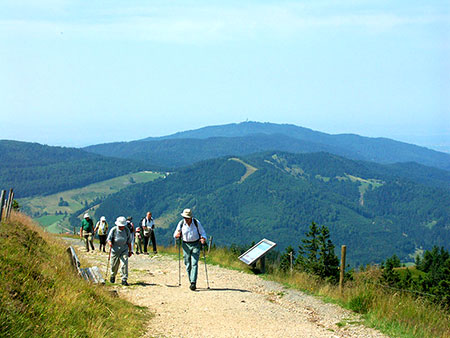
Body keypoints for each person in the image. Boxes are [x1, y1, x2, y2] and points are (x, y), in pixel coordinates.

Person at [173, 208, 207, 291]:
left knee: (194, 263)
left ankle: (193, 283)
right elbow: (175, 234)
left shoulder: (196, 223)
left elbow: (203, 233)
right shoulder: (181, 224)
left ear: (191, 217)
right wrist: (177, 235)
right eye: (185, 217)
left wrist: (203, 238)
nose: (186, 219)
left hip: (196, 244)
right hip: (185, 245)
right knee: (187, 263)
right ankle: (191, 280)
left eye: (187, 218)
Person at [107, 216, 132, 286]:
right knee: (113, 265)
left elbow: (129, 241)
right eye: (120, 226)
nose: (121, 227)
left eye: (122, 226)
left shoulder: (127, 230)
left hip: (124, 249)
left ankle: (124, 279)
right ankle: (112, 275)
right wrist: (110, 243)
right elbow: (108, 239)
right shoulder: (114, 230)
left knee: (124, 264)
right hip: (115, 250)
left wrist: (130, 251)